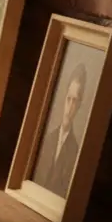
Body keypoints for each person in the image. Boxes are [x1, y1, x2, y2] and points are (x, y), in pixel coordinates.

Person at [32, 62, 87, 197]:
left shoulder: (75, 152)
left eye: (75, 101)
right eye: (68, 99)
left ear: (79, 105)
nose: (70, 107)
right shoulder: (47, 139)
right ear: (64, 99)